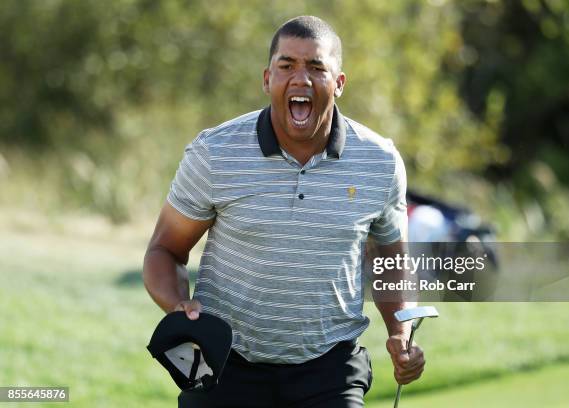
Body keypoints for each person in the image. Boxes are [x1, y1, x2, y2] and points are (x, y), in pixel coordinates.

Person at [143, 15, 426, 408]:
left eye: (316, 67)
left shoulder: (380, 162)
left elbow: (391, 259)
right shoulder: (216, 153)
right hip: (227, 366)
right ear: (267, 79)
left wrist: (401, 331)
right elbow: (164, 251)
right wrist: (178, 306)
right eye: (287, 66)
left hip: (330, 369)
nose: (301, 79)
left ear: (339, 84)